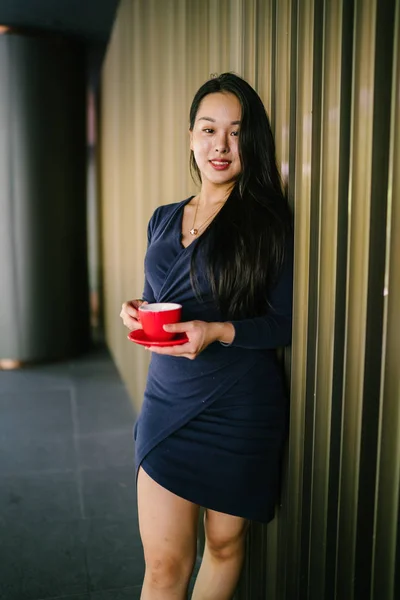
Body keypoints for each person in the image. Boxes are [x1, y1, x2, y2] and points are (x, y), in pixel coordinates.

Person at [120, 72, 293, 600]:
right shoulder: (162, 218)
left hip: (240, 405)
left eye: (236, 132)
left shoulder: (265, 222)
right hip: (169, 402)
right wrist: (136, 308)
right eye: (208, 128)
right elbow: (161, 298)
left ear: (252, 141)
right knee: (162, 568)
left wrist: (217, 330)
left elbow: (282, 323)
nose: (221, 144)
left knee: (223, 547)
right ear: (191, 136)